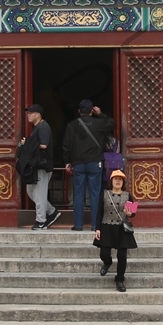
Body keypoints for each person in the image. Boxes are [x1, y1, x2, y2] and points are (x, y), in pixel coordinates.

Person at [62, 97, 115, 231]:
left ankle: (78, 225)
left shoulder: (71, 125)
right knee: (95, 194)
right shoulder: (99, 123)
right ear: (92, 110)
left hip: (78, 163)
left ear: (79, 111)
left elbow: (66, 146)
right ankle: (94, 225)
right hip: (94, 162)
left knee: (78, 194)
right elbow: (111, 123)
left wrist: (67, 161)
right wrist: (100, 114)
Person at [93, 168, 138, 292]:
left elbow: (132, 213)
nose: (118, 182)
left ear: (123, 182)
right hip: (106, 226)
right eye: (116, 179)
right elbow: (99, 212)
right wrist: (97, 228)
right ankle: (107, 263)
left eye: (120, 180)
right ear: (111, 181)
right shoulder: (105, 194)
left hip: (121, 228)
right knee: (104, 253)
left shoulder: (127, 195)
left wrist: (129, 214)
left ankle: (120, 279)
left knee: (122, 256)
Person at [17, 105, 60, 230]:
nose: (28, 115)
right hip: (36, 166)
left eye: (31, 113)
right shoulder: (37, 127)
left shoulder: (43, 127)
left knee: (39, 194)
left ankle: (41, 221)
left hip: (42, 166)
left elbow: (44, 145)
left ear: (38, 114)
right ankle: (52, 211)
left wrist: (27, 143)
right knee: (31, 192)